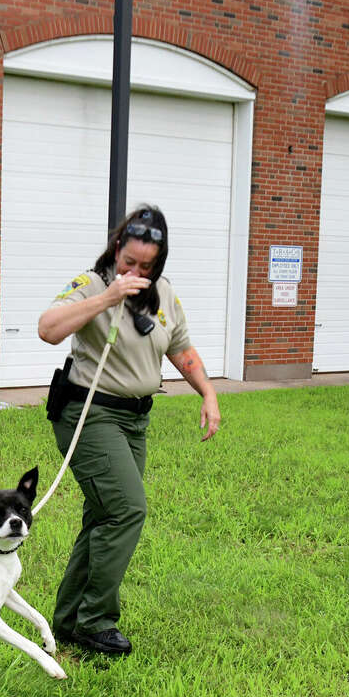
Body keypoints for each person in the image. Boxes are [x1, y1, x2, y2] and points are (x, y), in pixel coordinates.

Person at [37, 205, 220, 656]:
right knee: (126, 510)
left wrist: (208, 393)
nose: (136, 273)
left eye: (146, 266)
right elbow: (48, 329)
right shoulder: (91, 284)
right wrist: (108, 297)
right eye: (129, 262)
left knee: (104, 515)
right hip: (89, 414)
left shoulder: (164, 294)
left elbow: (181, 348)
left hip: (134, 420)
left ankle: (69, 620)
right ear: (117, 248)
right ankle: (95, 621)